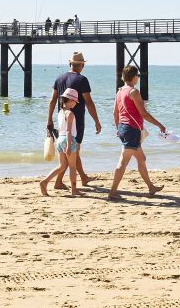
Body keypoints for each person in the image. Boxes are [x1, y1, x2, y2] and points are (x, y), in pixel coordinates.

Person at [108, 65, 166, 200]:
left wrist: (118, 128)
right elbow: (143, 113)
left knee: (142, 159)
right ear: (134, 77)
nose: (138, 78)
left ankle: (151, 187)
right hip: (131, 130)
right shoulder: (134, 92)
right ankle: (112, 192)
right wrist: (159, 125)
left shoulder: (119, 91)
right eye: (137, 76)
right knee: (123, 162)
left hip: (123, 128)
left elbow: (115, 113)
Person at [47, 52, 102, 189]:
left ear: (69, 63)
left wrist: (49, 120)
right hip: (75, 121)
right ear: (82, 65)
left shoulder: (59, 78)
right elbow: (89, 102)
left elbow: (52, 100)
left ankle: (83, 177)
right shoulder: (82, 80)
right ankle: (58, 182)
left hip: (61, 119)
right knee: (73, 150)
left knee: (72, 151)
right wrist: (96, 121)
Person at [40, 89, 85, 197]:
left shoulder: (60, 112)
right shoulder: (70, 113)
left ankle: (45, 182)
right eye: (75, 101)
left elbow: (61, 129)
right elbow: (69, 131)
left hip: (60, 139)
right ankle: (74, 190)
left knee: (61, 166)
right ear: (70, 100)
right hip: (68, 140)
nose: (75, 104)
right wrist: (69, 145)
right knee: (72, 167)